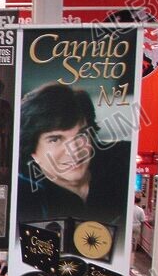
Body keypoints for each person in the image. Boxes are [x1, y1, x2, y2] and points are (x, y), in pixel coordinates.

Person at [17, 82, 131, 232]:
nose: (74, 151)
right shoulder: (26, 200)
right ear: (32, 151)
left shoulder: (124, 159)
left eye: (81, 135)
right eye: (55, 139)